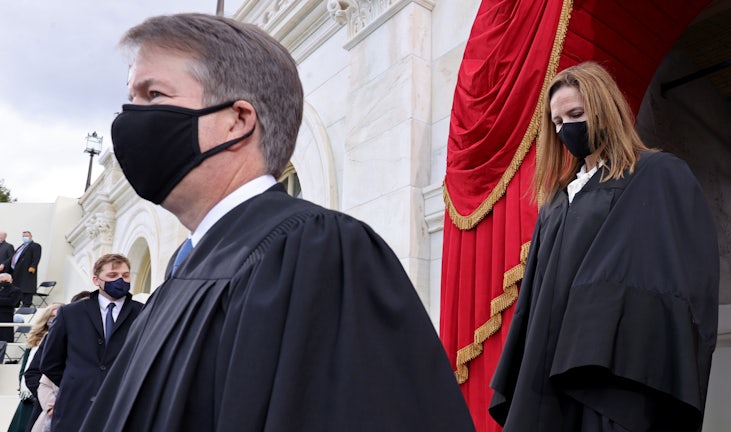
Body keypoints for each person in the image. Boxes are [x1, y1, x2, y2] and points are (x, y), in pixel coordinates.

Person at [81, 13, 473, 432]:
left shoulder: (316, 254)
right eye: (131, 97)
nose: (129, 116)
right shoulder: (184, 268)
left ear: (237, 120)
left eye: (153, 94)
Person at [488, 62, 719, 431]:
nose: (565, 129)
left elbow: (677, 278)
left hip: (606, 373)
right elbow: (534, 297)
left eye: (575, 115)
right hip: (546, 369)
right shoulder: (555, 203)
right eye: (557, 121)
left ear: (603, 108)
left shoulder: (655, 175)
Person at [38, 253, 143, 432]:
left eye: (125, 275)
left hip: (123, 405)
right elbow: (50, 362)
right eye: (112, 275)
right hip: (75, 407)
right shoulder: (70, 313)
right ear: (96, 280)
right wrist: (76, 382)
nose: (120, 280)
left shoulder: (143, 313)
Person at [6, 302, 63, 432]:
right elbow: (25, 371)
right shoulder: (34, 341)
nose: (53, 321)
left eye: (57, 317)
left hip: (46, 398)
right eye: (51, 317)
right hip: (29, 397)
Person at [0, 232, 42, 307]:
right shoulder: (21, 246)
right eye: (23, 236)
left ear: (31, 236)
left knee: (26, 295)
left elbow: (36, 257)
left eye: (26, 236)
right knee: (16, 296)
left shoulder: (35, 246)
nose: (24, 237)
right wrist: (4, 264)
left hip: (26, 272)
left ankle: (25, 309)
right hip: (17, 272)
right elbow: (12, 257)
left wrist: (33, 266)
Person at [0, 272, 21, 342]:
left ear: (11, 280)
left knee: (5, 336)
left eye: (5, 281)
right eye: (1, 281)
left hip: (6, 315)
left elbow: (12, 302)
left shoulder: (15, 290)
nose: (3, 283)